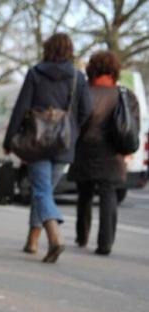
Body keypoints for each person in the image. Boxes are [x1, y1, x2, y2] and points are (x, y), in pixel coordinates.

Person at [4, 33, 92, 263]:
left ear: (47, 49)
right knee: (44, 192)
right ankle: (32, 241)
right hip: (64, 144)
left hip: (37, 142)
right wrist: (73, 130)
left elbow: (21, 109)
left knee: (42, 192)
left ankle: (54, 237)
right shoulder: (77, 78)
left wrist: (9, 140)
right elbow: (86, 111)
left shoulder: (35, 73)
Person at [72, 51, 139, 255]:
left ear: (92, 69)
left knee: (84, 194)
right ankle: (105, 243)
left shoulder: (83, 93)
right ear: (115, 71)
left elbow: (74, 123)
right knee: (109, 194)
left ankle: (82, 236)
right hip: (112, 153)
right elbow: (132, 126)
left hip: (84, 150)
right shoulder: (125, 95)